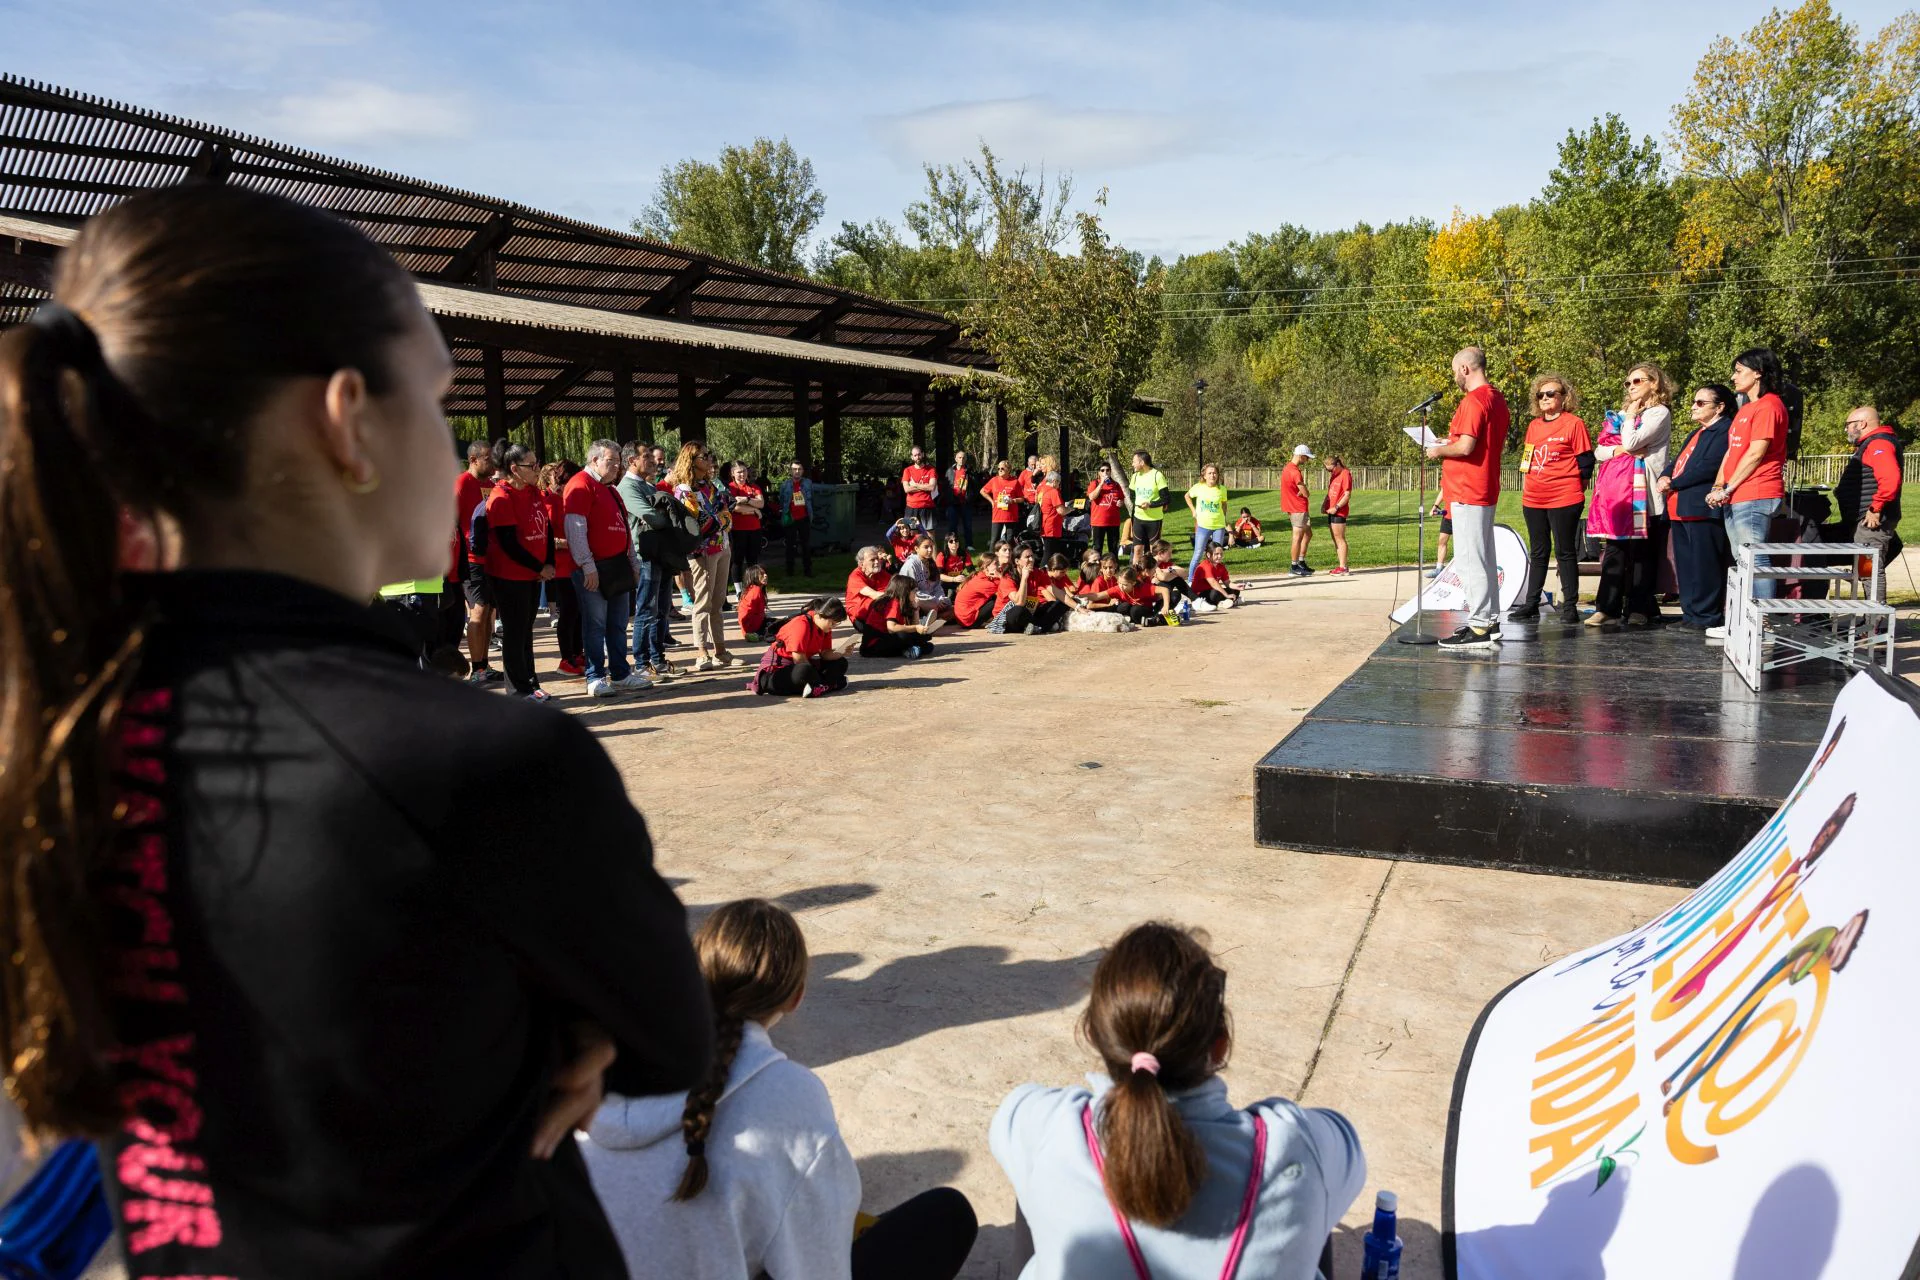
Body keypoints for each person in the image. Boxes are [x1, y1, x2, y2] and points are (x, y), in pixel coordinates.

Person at [0, 182, 714, 1276]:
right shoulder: (472, 762)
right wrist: (564, 1031)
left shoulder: (51, 741)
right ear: (348, 420)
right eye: (435, 398)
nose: (455, 440)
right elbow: (674, 1033)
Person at [583, 900, 976, 1280]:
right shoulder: (793, 1094)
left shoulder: (600, 1068)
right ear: (797, 996)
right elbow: (819, 1269)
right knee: (946, 1217)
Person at [991, 922, 1365, 1280]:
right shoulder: (1293, 1143)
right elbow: (1344, 1145)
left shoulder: (1048, 1125)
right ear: (1220, 1045)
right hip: (1298, 1157)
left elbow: (1017, 1117)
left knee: (1035, 1171)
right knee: (1316, 1191)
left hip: (1048, 1142)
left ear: (1092, 1034)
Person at [1426, 346, 1510, 650]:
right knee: (1483, 557)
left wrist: (1437, 450)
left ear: (1465, 369)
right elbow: (1472, 441)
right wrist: (1448, 441)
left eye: (1454, 372)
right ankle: (1489, 621)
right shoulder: (1495, 398)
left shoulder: (1473, 401)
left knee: (1469, 561)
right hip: (1482, 486)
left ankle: (1478, 628)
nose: (1454, 379)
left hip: (1467, 488)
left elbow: (1466, 448)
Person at [1588, 363, 1673, 628]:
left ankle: (1639, 608)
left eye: (1638, 381)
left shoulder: (1659, 413)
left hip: (1644, 494)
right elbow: (1599, 451)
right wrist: (1617, 451)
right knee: (1614, 550)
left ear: (1654, 383)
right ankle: (1607, 608)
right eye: (1628, 382)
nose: (1631, 386)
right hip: (1619, 495)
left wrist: (1627, 430)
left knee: (1642, 554)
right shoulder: (1624, 413)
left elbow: (1634, 441)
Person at [564, 439, 650, 697]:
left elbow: (623, 528)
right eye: (610, 461)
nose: (616, 466)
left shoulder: (610, 489)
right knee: (595, 624)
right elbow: (575, 528)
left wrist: (633, 563)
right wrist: (587, 565)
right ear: (595, 461)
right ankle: (594, 676)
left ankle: (621, 673)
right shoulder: (580, 485)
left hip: (617, 567)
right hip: (594, 568)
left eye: (617, 461)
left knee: (617, 623)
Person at [1709, 348, 1791, 599]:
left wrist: (1728, 487)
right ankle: (1747, 620)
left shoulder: (1769, 406)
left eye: (1738, 371)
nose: (1733, 377)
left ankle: (1762, 622)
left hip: (1756, 492)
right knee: (1742, 556)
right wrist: (1718, 485)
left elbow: (1756, 453)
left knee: (1754, 555)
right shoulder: (1746, 409)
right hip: (1734, 494)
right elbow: (1731, 452)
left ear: (1758, 373)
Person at [1511, 374, 1593, 623]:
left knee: (1565, 551)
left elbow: (1586, 462)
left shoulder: (1574, 424)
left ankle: (1569, 607)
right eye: (1541, 395)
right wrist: (1527, 483)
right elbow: (1526, 459)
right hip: (1534, 498)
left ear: (1563, 397)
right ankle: (1532, 603)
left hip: (1564, 497)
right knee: (1538, 552)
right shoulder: (1534, 426)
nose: (1545, 398)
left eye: (1551, 394)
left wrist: (1572, 489)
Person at [1657, 384, 1735, 632]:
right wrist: (1664, 475)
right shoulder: (1696, 433)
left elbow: (1711, 466)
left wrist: (1674, 482)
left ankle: (1706, 615)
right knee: (1687, 565)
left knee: (1704, 565)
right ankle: (1690, 613)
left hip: (1702, 508)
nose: (1693, 406)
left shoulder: (1725, 430)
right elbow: (1678, 461)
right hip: (1680, 508)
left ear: (1720, 407)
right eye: (1694, 401)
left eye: (1701, 403)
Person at [486, 443, 555, 700]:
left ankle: (530, 682)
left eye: (537, 463)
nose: (537, 469)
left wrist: (548, 564)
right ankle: (517, 690)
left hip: (533, 574)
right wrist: (539, 566)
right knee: (515, 634)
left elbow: (546, 530)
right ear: (514, 469)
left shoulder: (533, 492)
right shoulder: (501, 497)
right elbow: (508, 544)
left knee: (526, 632)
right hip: (509, 576)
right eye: (532, 465)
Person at [671, 443, 739, 671]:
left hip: (722, 546)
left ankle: (720, 649)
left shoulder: (712, 485)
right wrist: (720, 517)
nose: (710, 460)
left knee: (719, 601)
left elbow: (729, 507)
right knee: (702, 601)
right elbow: (701, 521)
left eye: (711, 455)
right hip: (702, 551)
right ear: (692, 459)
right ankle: (702, 651)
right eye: (705, 456)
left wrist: (720, 517)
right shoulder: (683, 489)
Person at [620, 442, 679, 683]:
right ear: (632, 460)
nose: (653, 460)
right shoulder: (627, 487)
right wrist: (670, 515)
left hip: (660, 554)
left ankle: (658, 659)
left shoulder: (647, 485)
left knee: (661, 609)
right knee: (646, 609)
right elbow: (651, 516)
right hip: (644, 556)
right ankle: (641, 663)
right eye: (646, 456)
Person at [1833, 405, 1904, 572]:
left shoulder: (1878, 443)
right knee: (1866, 571)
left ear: (1862, 424)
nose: (1846, 429)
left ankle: (1876, 600)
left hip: (1872, 520)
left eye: (1848, 424)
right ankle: (1870, 598)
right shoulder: (1872, 443)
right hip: (1866, 519)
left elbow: (1890, 480)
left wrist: (1875, 508)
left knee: (1869, 572)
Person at [455, 440, 502, 684]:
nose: (492, 463)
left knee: (488, 613)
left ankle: (484, 664)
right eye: (487, 458)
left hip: (489, 557)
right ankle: (477, 669)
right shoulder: (462, 483)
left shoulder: (489, 484)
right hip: (471, 558)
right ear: (473, 460)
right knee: (478, 611)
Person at [753, 597, 855, 697]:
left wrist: (841, 652)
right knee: (804, 671)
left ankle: (818, 687)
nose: (833, 626)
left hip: (803, 665)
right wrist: (817, 676)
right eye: (832, 623)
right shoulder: (801, 624)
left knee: (840, 663)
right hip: (777, 671)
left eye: (836, 624)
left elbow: (825, 654)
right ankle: (829, 685)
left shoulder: (824, 628)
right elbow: (799, 660)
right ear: (819, 615)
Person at [541, 460, 585, 677]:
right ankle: (566, 658)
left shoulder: (566, 498)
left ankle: (577, 653)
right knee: (567, 612)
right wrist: (569, 542)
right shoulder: (547, 500)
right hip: (560, 567)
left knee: (577, 611)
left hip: (574, 563)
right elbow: (546, 538)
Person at [862, 576, 946, 657]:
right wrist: (916, 628)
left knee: (926, 642)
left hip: (886, 639)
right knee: (905, 636)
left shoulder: (903, 603)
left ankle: (910, 649)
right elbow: (891, 628)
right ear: (905, 591)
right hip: (874, 644)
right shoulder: (893, 602)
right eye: (914, 591)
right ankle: (908, 649)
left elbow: (913, 626)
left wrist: (916, 610)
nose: (916, 594)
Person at [995, 545, 1071, 635]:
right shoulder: (1007, 577)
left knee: (1061, 604)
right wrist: (1024, 578)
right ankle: (1041, 626)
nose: (1031, 559)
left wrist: (1078, 607)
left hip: (1030, 612)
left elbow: (1056, 591)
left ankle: (1036, 627)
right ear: (1017, 561)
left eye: (1032, 556)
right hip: (1009, 618)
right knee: (1019, 610)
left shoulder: (1037, 572)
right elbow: (1019, 602)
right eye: (1027, 557)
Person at [1184, 462, 1231, 581]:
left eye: (1214, 473)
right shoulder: (1199, 487)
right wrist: (1193, 510)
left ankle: (1213, 579)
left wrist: (1223, 518)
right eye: (1209, 473)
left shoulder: (1222, 489)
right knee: (1198, 553)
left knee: (1217, 554)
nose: (1212, 475)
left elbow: (1224, 505)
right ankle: (1191, 580)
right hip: (1203, 525)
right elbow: (1187, 496)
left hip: (1218, 526)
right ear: (1204, 475)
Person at [727, 462, 766, 593]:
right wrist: (753, 511)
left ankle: (753, 588)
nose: (742, 474)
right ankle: (738, 591)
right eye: (738, 472)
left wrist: (746, 500)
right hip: (738, 529)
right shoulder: (730, 487)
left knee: (753, 560)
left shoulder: (754, 487)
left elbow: (761, 503)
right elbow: (733, 507)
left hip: (755, 529)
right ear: (733, 473)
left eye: (744, 471)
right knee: (737, 560)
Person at [1127, 451, 1169, 567]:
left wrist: (1150, 504)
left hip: (1154, 520)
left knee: (1153, 552)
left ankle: (1154, 577)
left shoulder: (1157, 475)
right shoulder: (1135, 476)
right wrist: (1139, 504)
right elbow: (1132, 496)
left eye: (1134, 461)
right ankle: (1135, 578)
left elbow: (1166, 499)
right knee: (1137, 551)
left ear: (1142, 462)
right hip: (1138, 519)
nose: (1132, 464)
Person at [899, 533, 951, 619]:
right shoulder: (910, 565)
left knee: (947, 602)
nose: (930, 550)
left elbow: (937, 586)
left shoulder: (931, 563)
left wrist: (940, 598)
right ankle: (929, 618)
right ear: (917, 549)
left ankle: (936, 617)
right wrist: (936, 601)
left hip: (932, 599)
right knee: (928, 604)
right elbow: (913, 593)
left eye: (931, 546)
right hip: (915, 600)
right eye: (926, 547)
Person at [845, 545, 893, 636]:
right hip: (860, 617)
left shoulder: (881, 573)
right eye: (872, 560)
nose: (877, 562)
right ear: (861, 564)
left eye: (877, 559)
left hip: (879, 612)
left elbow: (895, 587)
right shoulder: (855, 576)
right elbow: (874, 594)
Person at [1279, 445, 1313, 576]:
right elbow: (1305, 492)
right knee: (1297, 537)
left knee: (1308, 534)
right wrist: (1305, 490)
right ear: (1300, 456)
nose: (1307, 460)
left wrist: (1301, 491)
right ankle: (1294, 566)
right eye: (1306, 457)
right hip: (1297, 508)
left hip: (1297, 507)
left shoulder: (1288, 468)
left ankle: (1301, 561)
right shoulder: (1294, 471)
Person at [777, 459, 815, 575]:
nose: (797, 472)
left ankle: (807, 571)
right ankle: (790, 571)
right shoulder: (785, 485)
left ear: (803, 471)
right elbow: (782, 500)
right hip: (791, 518)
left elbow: (812, 499)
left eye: (799, 469)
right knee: (790, 545)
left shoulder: (808, 483)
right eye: (794, 469)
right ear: (790, 471)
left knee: (806, 545)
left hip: (804, 517)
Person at [1086, 458, 1128, 559]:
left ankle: (1114, 567)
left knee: (1113, 547)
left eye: (1107, 470)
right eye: (1102, 470)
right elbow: (1091, 497)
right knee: (1097, 547)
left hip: (1113, 521)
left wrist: (1120, 503)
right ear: (1099, 473)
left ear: (1110, 471)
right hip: (1098, 521)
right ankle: (1096, 567)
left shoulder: (1116, 485)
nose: (1105, 472)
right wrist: (1101, 484)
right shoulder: (1094, 483)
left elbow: (1121, 500)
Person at [982, 458, 1026, 544]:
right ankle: (991, 557)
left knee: (1009, 540)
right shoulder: (994, 480)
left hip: (1011, 515)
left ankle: (1008, 556)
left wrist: (1012, 501)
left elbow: (1022, 498)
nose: (1000, 470)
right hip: (997, 514)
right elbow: (982, 491)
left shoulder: (1015, 481)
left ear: (1008, 469)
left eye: (1002, 468)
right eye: (998, 468)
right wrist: (991, 501)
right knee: (994, 539)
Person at [1322, 456, 1353, 576]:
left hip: (1339, 511)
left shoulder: (1345, 474)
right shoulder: (1334, 475)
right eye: (1327, 470)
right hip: (1331, 510)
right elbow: (1330, 492)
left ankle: (1343, 567)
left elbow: (1347, 495)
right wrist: (1325, 504)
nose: (1330, 472)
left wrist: (1336, 507)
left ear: (1338, 464)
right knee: (1335, 539)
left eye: (1331, 469)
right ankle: (1341, 565)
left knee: (1340, 538)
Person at [952, 560, 1004, 630]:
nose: (999, 566)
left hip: (963, 620)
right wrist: (1000, 576)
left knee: (994, 598)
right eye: (996, 564)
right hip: (969, 622)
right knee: (997, 600)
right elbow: (1006, 586)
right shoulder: (984, 583)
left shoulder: (979, 576)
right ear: (986, 568)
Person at [903, 444, 940, 534]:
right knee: (911, 534)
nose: (917, 457)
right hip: (911, 507)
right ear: (912, 457)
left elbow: (932, 487)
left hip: (927, 506)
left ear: (922, 454)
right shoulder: (907, 470)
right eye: (915, 455)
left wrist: (915, 485)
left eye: (919, 454)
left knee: (930, 534)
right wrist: (924, 487)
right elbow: (906, 489)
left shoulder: (931, 469)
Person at [737, 564, 776, 643]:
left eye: (765, 573)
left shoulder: (752, 589)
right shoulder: (756, 591)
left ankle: (756, 634)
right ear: (754, 577)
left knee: (778, 623)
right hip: (753, 627)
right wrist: (748, 631)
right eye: (762, 574)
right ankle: (757, 634)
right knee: (782, 626)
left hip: (751, 626)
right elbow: (746, 613)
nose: (765, 576)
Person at [1037, 466, 1069, 562]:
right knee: (1049, 554)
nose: (1059, 485)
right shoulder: (1053, 491)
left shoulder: (1041, 490)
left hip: (1044, 524)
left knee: (1049, 552)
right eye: (1059, 482)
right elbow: (1061, 511)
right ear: (1054, 481)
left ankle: (1048, 573)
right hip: (1052, 526)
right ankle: (1042, 572)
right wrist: (1071, 509)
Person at [944, 450, 975, 547]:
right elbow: (946, 486)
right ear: (955, 458)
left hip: (966, 502)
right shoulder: (950, 471)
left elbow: (975, 486)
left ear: (966, 459)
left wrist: (971, 496)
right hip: (953, 503)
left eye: (963, 458)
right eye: (959, 457)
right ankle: (953, 544)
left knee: (968, 525)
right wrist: (948, 498)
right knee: (952, 526)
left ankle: (969, 545)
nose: (961, 460)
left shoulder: (969, 471)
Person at [1427, 496, 1452, 578]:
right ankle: (1439, 569)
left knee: (1463, 543)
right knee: (1442, 541)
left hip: (1461, 515)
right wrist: (1435, 507)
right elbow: (1443, 491)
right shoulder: (1446, 482)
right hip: (1448, 515)